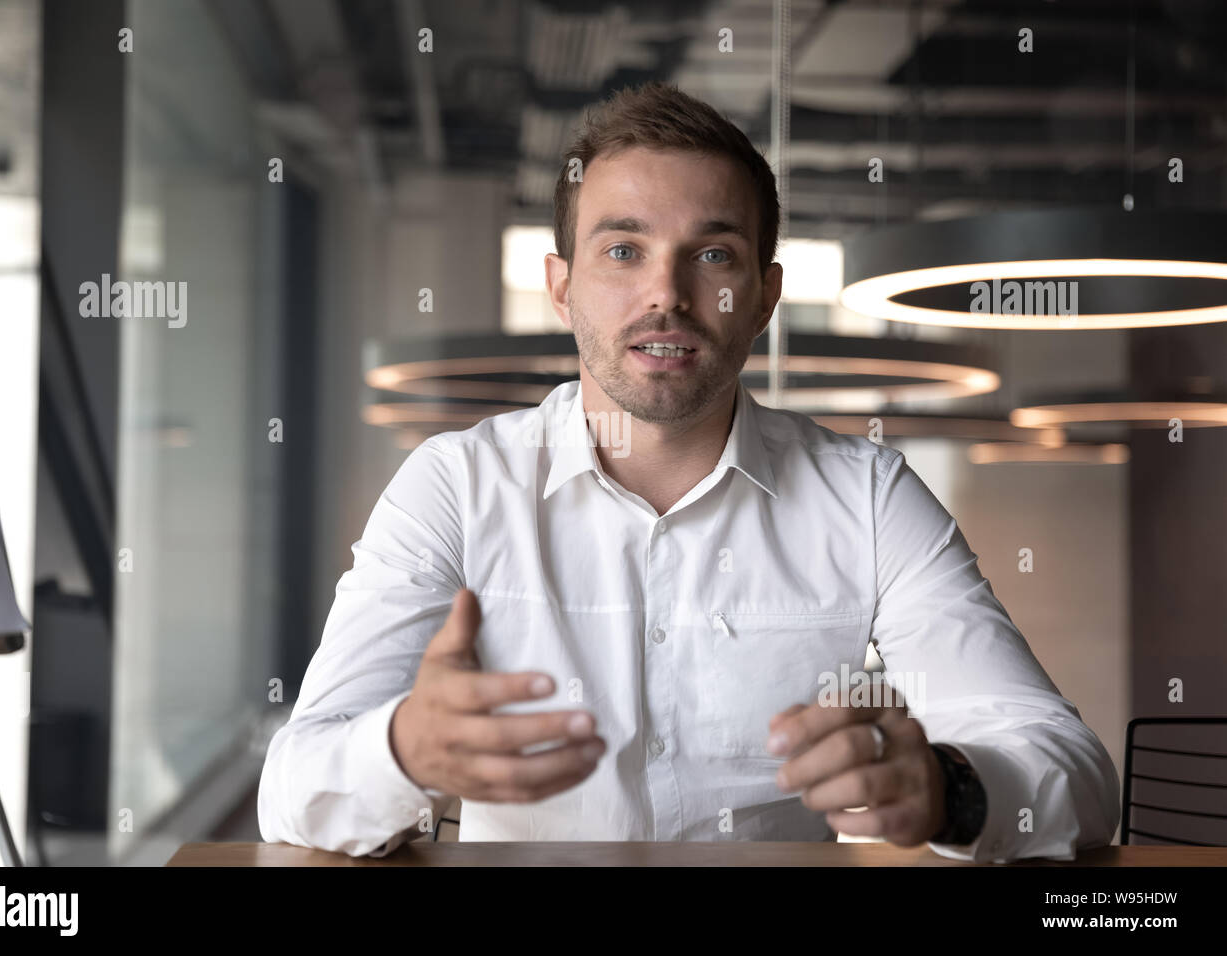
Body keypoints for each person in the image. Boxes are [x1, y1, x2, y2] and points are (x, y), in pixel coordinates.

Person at [257, 81, 1120, 861]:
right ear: (561, 288)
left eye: (712, 255)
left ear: (767, 295)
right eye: (623, 251)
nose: (664, 294)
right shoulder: (453, 486)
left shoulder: (865, 493)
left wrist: (947, 788)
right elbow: (291, 791)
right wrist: (404, 749)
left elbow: (1072, 771)